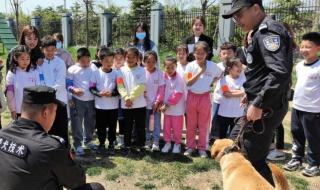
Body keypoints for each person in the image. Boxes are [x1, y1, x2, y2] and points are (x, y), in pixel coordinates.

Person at [222, 0, 293, 186]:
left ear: (255, 8)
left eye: (239, 15)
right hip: (262, 102)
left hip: (266, 107)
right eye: (234, 17)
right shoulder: (260, 31)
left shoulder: (268, 32)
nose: (237, 20)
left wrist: (259, 102)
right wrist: (251, 93)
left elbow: (279, 72)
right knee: (246, 154)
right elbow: (263, 72)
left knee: (249, 159)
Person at [0, 86, 105, 190]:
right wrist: (71, 161)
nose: (55, 116)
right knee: (96, 188)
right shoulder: (50, 146)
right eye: (55, 111)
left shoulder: (2, 133)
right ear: (45, 112)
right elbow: (77, 181)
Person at [283, 32, 320, 177]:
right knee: (296, 134)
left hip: (314, 109)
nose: (304, 50)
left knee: (313, 137)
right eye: (302, 46)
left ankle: (314, 163)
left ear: (317, 48)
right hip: (297, 106)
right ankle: (296, 159)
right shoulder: (299, 66)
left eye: (308, 47)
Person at [184, 41, 223, 158]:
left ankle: (202, 147)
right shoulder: (190, 66)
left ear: (207, 53)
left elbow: (220, 74)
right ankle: (190, 146)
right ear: (193, 53)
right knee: (191, 123)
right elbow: (188, 82)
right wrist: (201, 71)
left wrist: (211, 82)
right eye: (197, 53)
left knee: (203, 124)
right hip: (192, 96)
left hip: (205, 97)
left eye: (202, 53)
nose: (199, 55)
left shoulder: (212, 65)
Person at [267, 22, 298, 161]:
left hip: (279, 89)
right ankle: (270, 148)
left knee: (275, 120)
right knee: (270, 120)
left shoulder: (288, 48)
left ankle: (273, 148)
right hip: (272, 89)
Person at [37, 35, 69, 147]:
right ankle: (50, 151)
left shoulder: (60, 63)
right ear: (42, 50)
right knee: (48, 128)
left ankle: (65, 152)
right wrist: (45, 92)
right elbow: (40, 78)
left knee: (61, 127)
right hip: (45, 100)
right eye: (47, 50)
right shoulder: (40, 63)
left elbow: (60, 82)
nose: (50, 52)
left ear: (56, 49)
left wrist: (49, 92)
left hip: (59, 100)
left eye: (52, 50)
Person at [67, 47, 97, 156]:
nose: (86, 63)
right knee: (77, 123)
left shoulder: (94, 67)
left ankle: (88, 140)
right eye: (83, 61)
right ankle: (78, 144)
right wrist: (72, 93)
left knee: (90, 121)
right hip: (77, 100)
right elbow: (68, 85)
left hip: (91, 100)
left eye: (87, 60)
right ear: (77, 59)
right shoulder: (72, 69)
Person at [117, 47, 147, 153]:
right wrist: (126, 98)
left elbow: (141, 86)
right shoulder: (121, 71)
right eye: (128, 57)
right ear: (125, 57)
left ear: (137, 58)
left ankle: (141, 145)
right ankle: (127, 145)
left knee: (140, 126)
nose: (130, 59)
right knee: (127, 126)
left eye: (133, 57)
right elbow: (120, 85)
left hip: (139, 104)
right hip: (126, 104)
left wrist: (131, 98)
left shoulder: (142, 70)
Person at [89, 48, 119, 155]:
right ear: (100, 61)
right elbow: (91, 88)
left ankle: (111, 144)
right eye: (107, 61)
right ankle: (101, 143)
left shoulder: (116, 73)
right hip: (100, 106)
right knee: (101, 126)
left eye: (111, 61)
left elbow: (120, 89)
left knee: (112, 126)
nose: (109, 64)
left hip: (113, 106)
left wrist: (112, 94)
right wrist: (99, 93)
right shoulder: (96, 73)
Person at [210, 42, 239, 143]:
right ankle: (215, 138)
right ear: (220, 55)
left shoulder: (238, 67)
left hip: (233, 100)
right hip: (219, 99)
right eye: (224, 53)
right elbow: (211, 81)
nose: (226, 56)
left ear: (235, 54)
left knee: (233, 120)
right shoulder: (216, 67)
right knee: (216, 119)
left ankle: (232, 139)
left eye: (229, 53)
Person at [215, 58, 246, 138]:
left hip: (238, 113)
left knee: (235, 136)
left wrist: (232, 92)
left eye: (240, 66)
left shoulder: (243, 79)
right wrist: (241, 92)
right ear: (229, 68)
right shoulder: (224, 80)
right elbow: (226, 94)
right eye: (237, 66)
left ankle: (232, 150)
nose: (240, 68)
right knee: (222, 136)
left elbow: (245, 92)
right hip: (224, 113)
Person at [160, 56, 185, 154]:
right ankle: (167, 143)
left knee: (177, 128)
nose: (169, 70)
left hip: (177, 109)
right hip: (167, 110)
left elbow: (177, 94)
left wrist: (166, 105)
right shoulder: (163, 77)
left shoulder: (179, 78)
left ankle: (177, 143)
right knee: (166, 127)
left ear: (176, 66)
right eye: (167, 67)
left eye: (172, 67)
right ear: (164, 67)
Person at [6, 45, 39, 120]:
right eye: (22, 59)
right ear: (15, 58)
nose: (25, 62)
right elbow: (10, 94)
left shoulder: (34, 72)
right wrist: (12, 109)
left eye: (28, 59)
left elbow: (38, 90)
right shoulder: (12, 73)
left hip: (32, 109)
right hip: (18, 110)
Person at [143, 51, 165, 151]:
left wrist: (157, 102)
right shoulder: (142, 72)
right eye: (148, 61)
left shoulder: (160, 74)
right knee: (146, 124)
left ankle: (156, 141)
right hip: (144, 104)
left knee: (156, 123)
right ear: (144, 62)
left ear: (156, 62)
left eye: (153, 61)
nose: (150, 64)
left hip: (156, 105)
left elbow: (161, 89)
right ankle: (147, 140)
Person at [113, 48, 126, 147]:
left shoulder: (125, 70)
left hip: (122, 99)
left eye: (121, 58)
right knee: (112, 119)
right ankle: (112, 138)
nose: (118, 60)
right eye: (116, 58)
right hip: (111, 100)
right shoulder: (110, 69)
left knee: (122, 119)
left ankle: (122, 137)